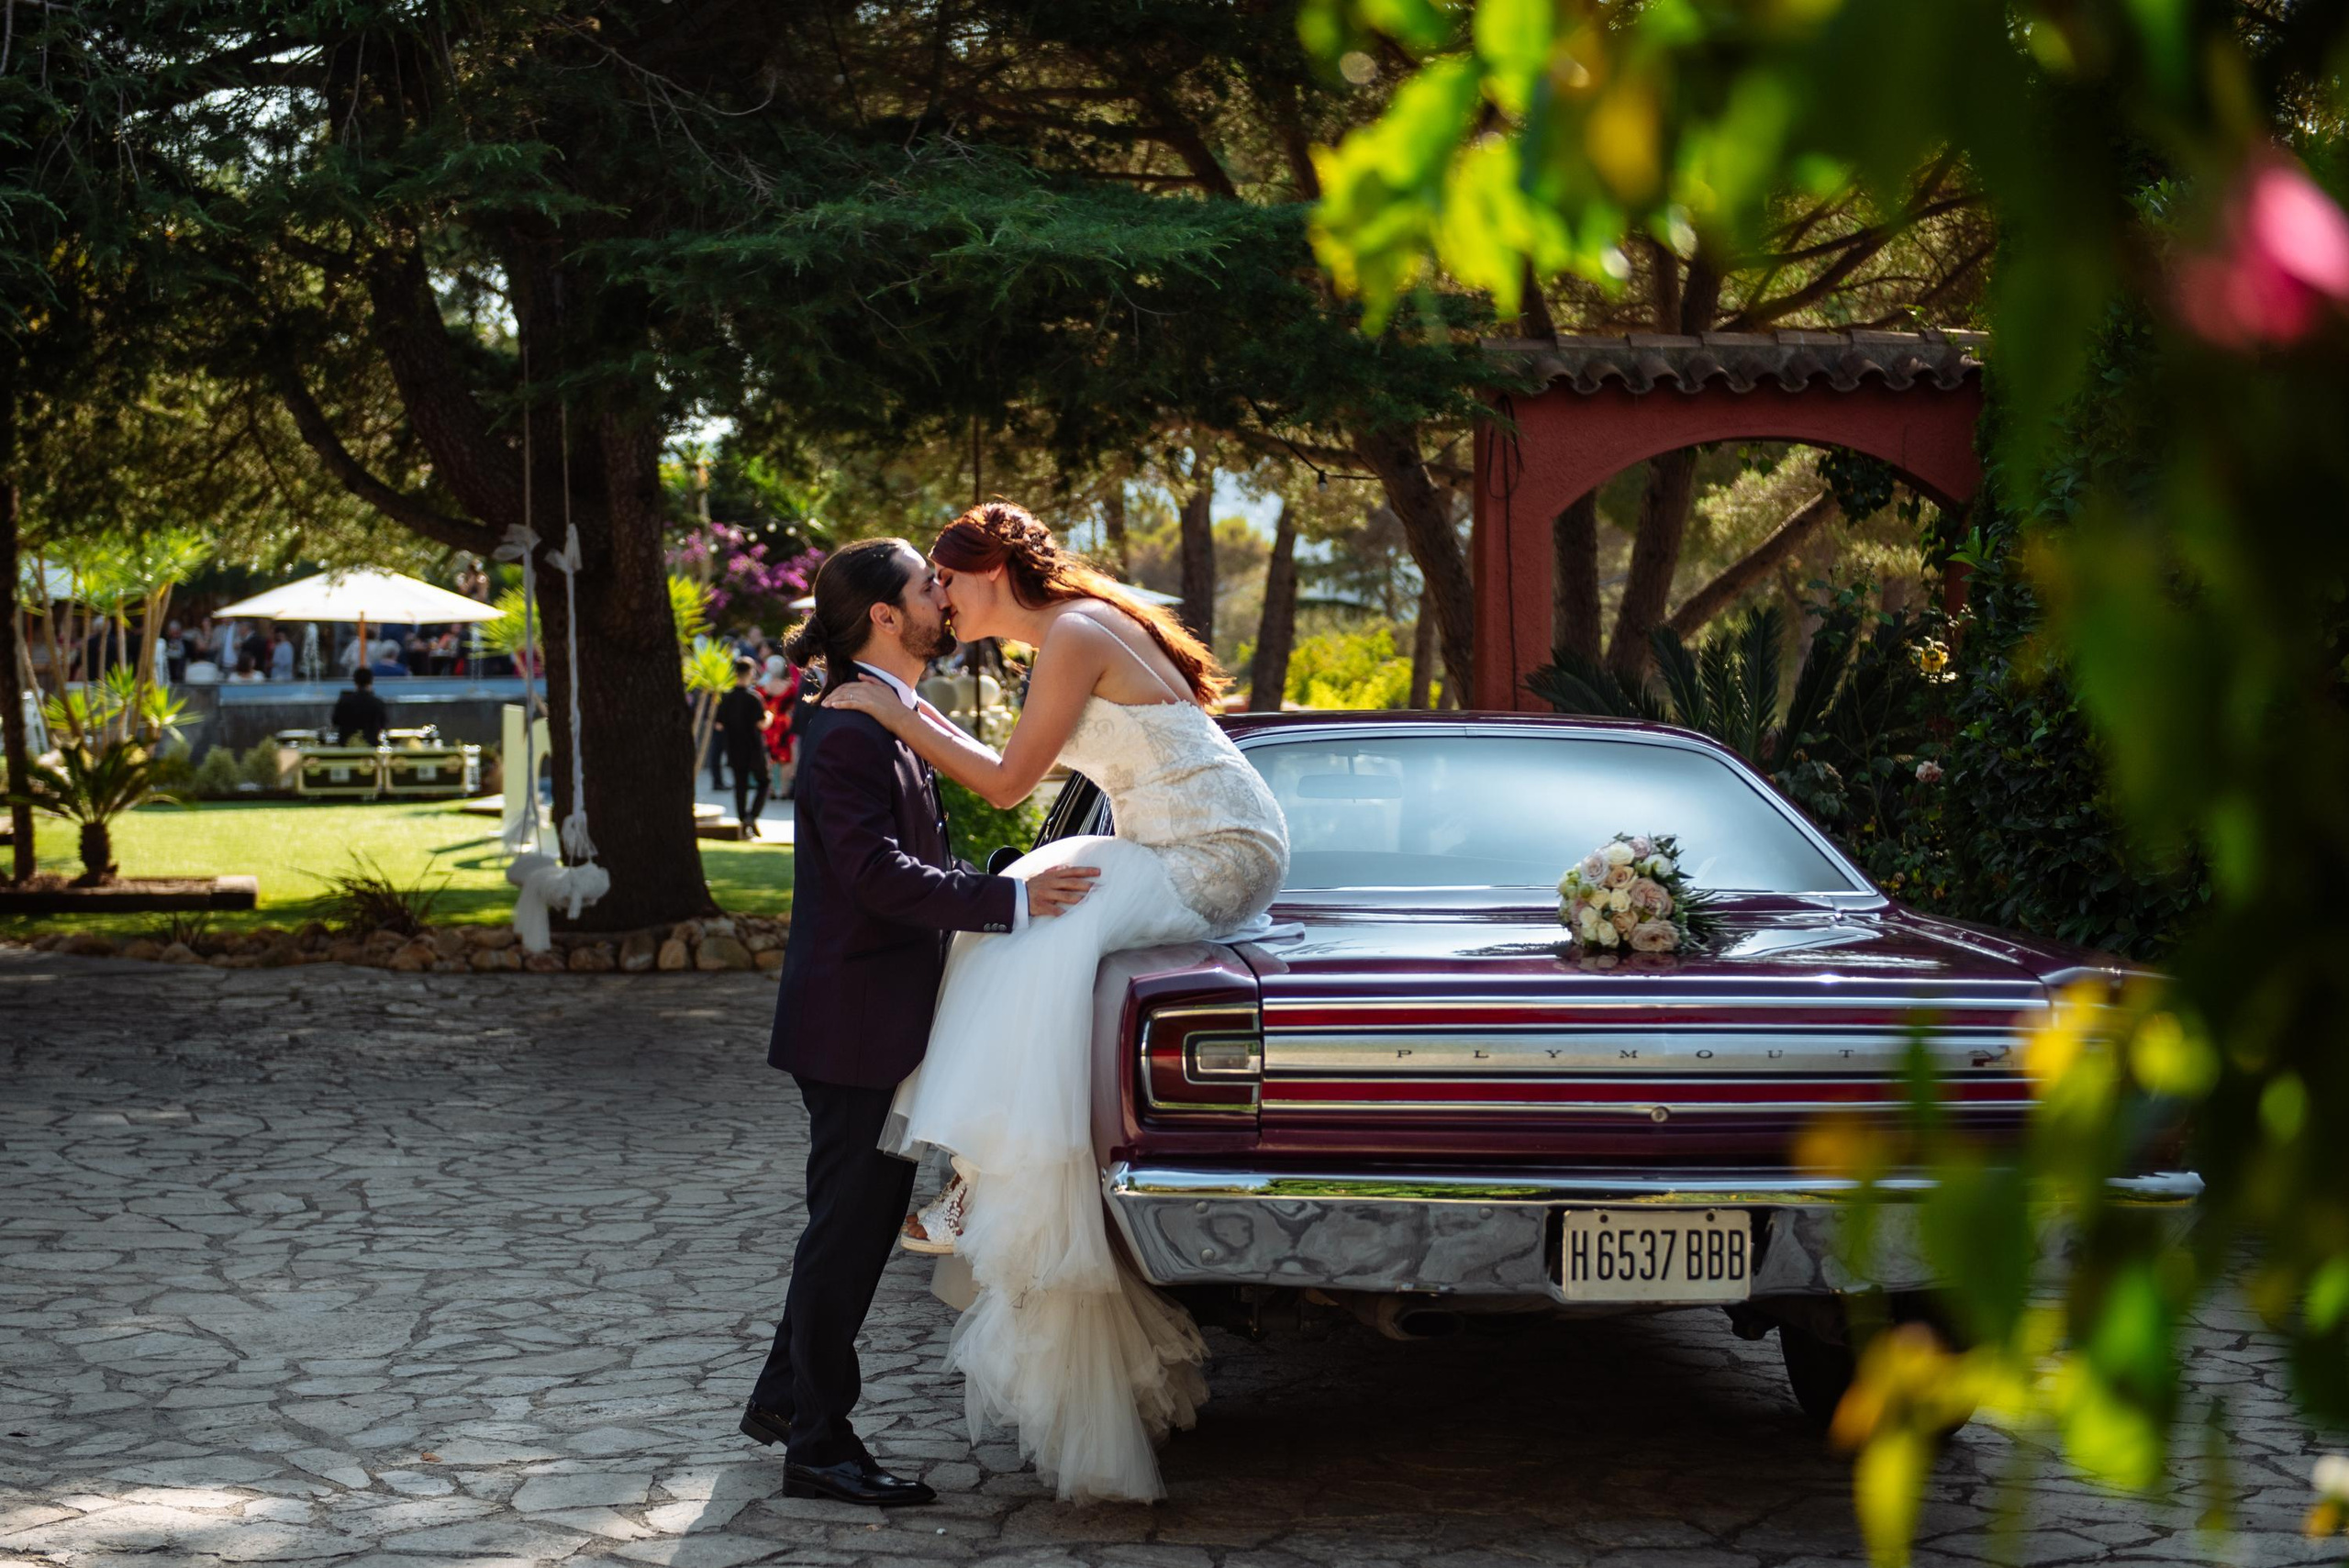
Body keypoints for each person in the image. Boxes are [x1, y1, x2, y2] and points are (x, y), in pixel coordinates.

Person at [820, 502, 1290, 1504]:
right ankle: (978, 1176)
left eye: (945, 581)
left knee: (1029, 927)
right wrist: (890, 703)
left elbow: (1002, 785)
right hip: (1173, 842)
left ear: (985, 573)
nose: (938, 600)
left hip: (1213, 851)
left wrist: (890, 711)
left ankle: (978, 1181)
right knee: (1019, 917)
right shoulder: (1069, 632)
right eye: (927, 589)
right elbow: (999, 768)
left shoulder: (1072, 633)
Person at [743, 537, 1100, 1508]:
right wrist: (1013, 904)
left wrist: (993, 882)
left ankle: (783, 1398)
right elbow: (871, 876)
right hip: (853, 1025)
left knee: (845, 1228)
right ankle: (818, 1443)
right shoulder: (849, 727)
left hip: (881, 1021)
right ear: (885, 617)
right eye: (924, 590)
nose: (942, 599)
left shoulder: (891, 711)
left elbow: (908, 855)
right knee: (847, 1237)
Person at [715, 657, 773, 836]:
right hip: (753, 747)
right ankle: (752, 816)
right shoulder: (754, 697)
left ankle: (743, 820)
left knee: (740, 785)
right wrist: (770, 716)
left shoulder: (726, 697)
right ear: (750, 673)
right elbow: (762, 724)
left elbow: (719, 725)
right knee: (764, 782)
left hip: (734, 745)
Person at [759, 654, 801, 798]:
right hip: (784, 724)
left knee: (767, 757)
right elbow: (795, 706)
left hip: (768, 723)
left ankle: (769, 789)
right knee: (786, 758)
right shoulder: (790, 687)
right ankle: (783, 789)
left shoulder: (762, 687)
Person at [330, 668, 389, 745]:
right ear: (371, 681)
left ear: (355, 682)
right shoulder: (377, 703)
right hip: (370, 749)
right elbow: (383, 724)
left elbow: (335, 721)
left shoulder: (344, 702)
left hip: (346, 749)